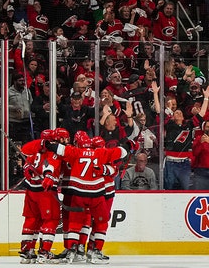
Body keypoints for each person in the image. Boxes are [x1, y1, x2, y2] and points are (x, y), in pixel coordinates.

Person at [45, 134, 128, 264]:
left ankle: (75, 248)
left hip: (78, 191)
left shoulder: (75, 151)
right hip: (97, 192)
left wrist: (46, 144)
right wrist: (128, 146)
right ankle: (90, 250)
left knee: (76, 221)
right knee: (98, 222)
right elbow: (120, 153)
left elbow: (59, 149)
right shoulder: (101, 153)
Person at [18, 129, 62, 263]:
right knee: (51, 220)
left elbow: (27, 165)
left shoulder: (34, 151)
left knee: (31, 219)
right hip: (45, 191)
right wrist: (48, 176)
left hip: (31, 191)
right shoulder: (53, 152)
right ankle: (44, 252)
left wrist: (27, 170)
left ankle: (27, 251)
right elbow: (50, 166)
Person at [7, 73, 33, 143]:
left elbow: (31, 102)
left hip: (26, 121)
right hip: (14, 122)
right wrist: (13, 108)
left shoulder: (27, 91)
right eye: (20, 81)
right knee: (16, 143)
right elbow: (1, 105)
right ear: (15, 82)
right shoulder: (8, 92)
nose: (22, 83)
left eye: (23, 81)